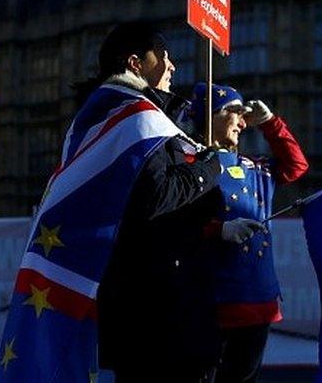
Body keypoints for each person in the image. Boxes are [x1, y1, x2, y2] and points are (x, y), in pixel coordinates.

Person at [81, 23, 240, 382]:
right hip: (157, 314)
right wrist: (209, 166)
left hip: (150, 307)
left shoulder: (110, 115)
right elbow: (156, 197)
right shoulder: (135, 118)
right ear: (136, 63)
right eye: (164, 56)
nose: (172, 66)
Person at [189, 82, 309, 383]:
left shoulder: (256, 168)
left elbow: (296, 166)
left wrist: (271, 123)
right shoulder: (192, 164)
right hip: (215, 301)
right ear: (209, 116)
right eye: (234, 113)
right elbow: (173, 224)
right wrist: (218, 230)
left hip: (258, 297)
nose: (243, 123)